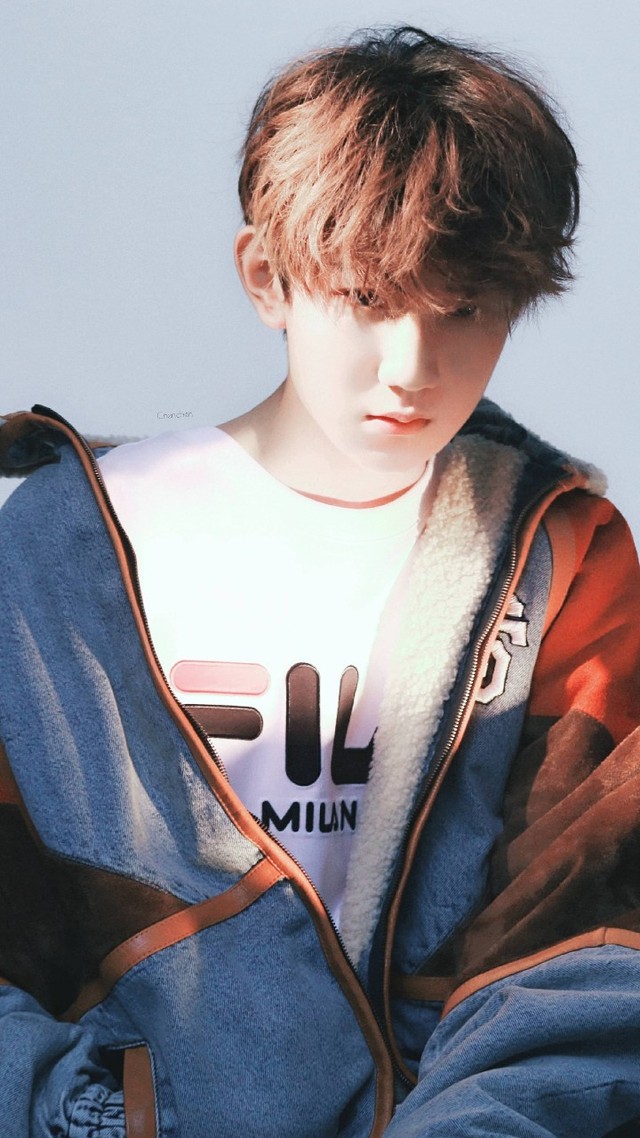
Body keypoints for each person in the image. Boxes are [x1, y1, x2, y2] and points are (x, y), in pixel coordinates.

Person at [0, 23, 639, 1138]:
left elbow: (584, 937)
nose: (411, 366)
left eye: (465, 309)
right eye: (368, 299)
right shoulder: (64, 554)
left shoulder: (560, 558)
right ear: (267, 277)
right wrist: (93, 1117)